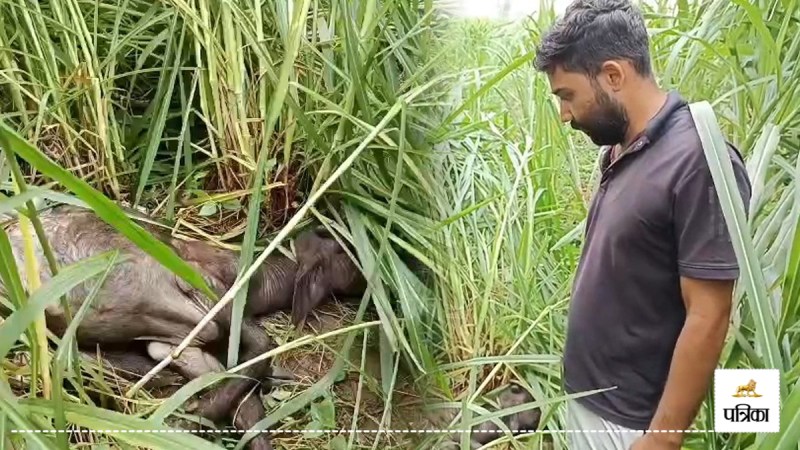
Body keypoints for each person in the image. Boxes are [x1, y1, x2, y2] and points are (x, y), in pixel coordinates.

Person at [532, 1, 752, 449]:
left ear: (613, 75)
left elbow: (710, 315)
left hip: (632, 424)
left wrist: (663, 438)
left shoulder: (699, 160)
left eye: (567, 95)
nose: (565, 114)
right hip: (589, 401)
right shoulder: (619, 149)